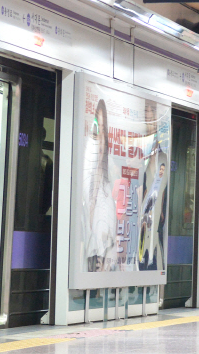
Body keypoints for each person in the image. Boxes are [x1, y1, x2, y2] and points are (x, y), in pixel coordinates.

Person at [83, 100, 117, 272]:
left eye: (103, 131)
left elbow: (111, 246)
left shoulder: (108, 192)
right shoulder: (81, 183)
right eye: (96, 132)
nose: (100, 139)